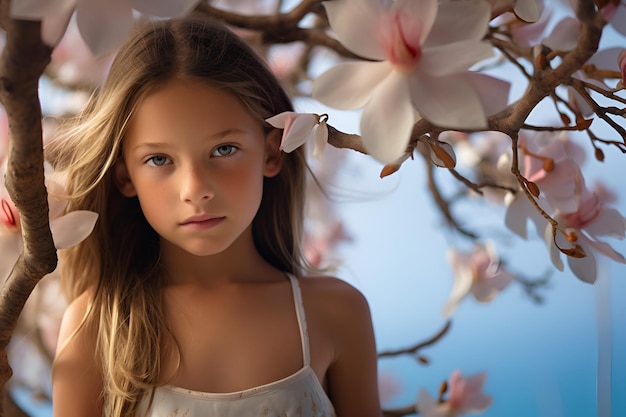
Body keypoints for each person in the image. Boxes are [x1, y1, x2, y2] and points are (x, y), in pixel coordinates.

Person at [47, 16, 382, 417]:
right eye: (159, 159)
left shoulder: (337, 312)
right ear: (125, 177)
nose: (195, 189)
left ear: (272, 153)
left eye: (223, 150)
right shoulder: (96, 327)